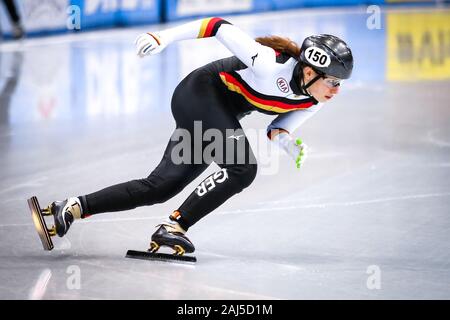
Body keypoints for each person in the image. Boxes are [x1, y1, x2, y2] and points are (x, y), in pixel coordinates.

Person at [46, 17, 353, 255]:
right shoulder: (268, 63)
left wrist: (289, 143)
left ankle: (72, 207)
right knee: (243, 168)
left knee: (161, 186)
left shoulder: (314, 99)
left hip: (218, 114)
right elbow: (217, 26)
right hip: (198, 93)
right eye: (333, 82)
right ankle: (175, 226)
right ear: (311, 71)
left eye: (340, 84)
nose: (337, 90)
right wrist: (162, 37)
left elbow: (277, 129)